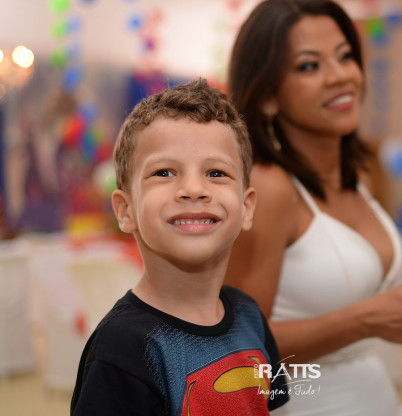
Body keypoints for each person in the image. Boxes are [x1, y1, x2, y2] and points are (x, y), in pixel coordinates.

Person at [225, 1, 402, 415]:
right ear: (268, 95)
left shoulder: (355, 175)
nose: (340, 75)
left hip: (377, 397)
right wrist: (369, 320)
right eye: (309, 66)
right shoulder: (268, 189)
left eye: (344, 56)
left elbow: (346, 303)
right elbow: (235, 352)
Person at [71, 79, 289, 415]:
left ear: (246, 208)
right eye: (164, 172)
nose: (193, 188)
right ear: (126, 211)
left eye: (216, 172)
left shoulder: (250, 316)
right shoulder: (121, 348)